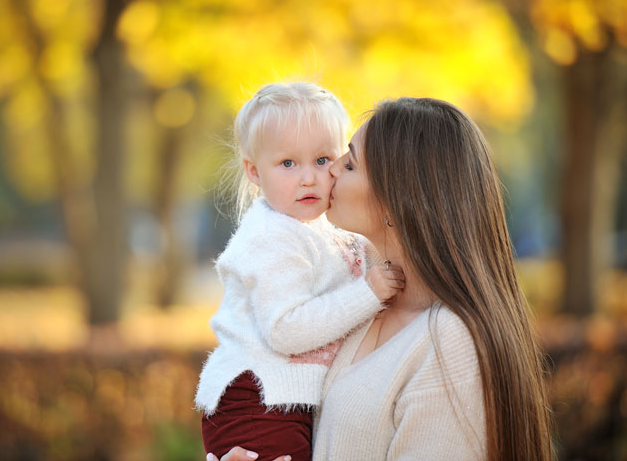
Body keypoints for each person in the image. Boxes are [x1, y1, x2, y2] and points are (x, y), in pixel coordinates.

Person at [207, 97, 553, 461]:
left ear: (397, 197)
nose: (330, 171)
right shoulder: (355, 290)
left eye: (349, 162)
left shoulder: (449, 341)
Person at [195, 83, 405, 461]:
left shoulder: (315, 230)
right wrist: (368, 293)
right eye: (288, 163)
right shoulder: (271, 240)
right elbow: (287, 329)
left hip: (282, 399)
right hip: (255, 401)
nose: (309, 178)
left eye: (323, 160)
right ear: (254, 171)